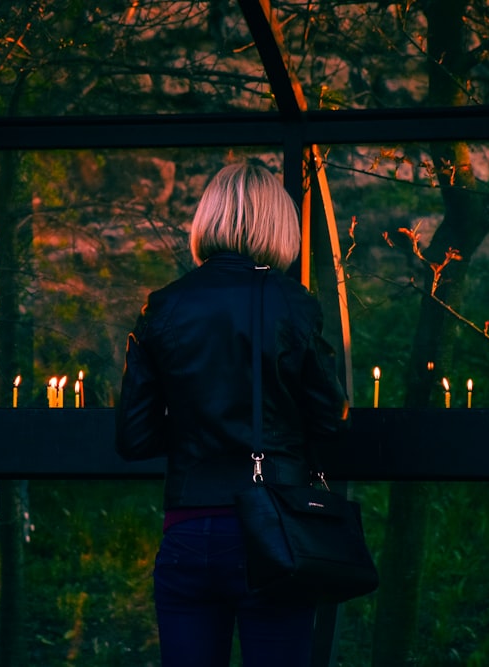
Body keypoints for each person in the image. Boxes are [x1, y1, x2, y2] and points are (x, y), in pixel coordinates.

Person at [115, 161, 351, 667]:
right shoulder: (294, 304)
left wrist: (199, 423)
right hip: (273, 533)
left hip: (187, 533)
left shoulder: (164, 306)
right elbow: (330, 419)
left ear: (209, 220)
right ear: (278, 225)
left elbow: (134, 437)